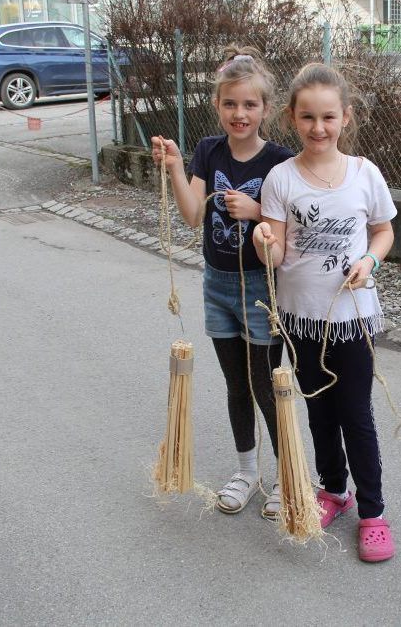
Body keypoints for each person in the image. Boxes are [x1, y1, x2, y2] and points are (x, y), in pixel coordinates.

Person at [253, 63, 397, 562]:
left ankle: (373, 512)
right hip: (302, 319)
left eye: (328, 117)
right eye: (308, 117)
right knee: (319, 411)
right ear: (292, 118)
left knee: (355, 414)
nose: (319, 127)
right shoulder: (280, 179)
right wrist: (263, 240)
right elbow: (276, 253)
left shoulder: (364, 174)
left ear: (346, 117)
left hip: (353, 320)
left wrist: (370, 260)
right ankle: (334, 490)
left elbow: (384, 231)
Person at [151, 46, 294, 520]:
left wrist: (257, 211)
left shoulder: (279, 162)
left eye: (250, 104)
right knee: (236, 385)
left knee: (265, 384)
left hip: (261, 286)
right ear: (217, 105)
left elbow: (292, 225)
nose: (240, 113)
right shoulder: (208, 151)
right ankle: (247, 471)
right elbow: (193, 215)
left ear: (266, 109)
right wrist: (176, 167)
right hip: (217, 284)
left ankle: (287, 474)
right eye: (230, 103)